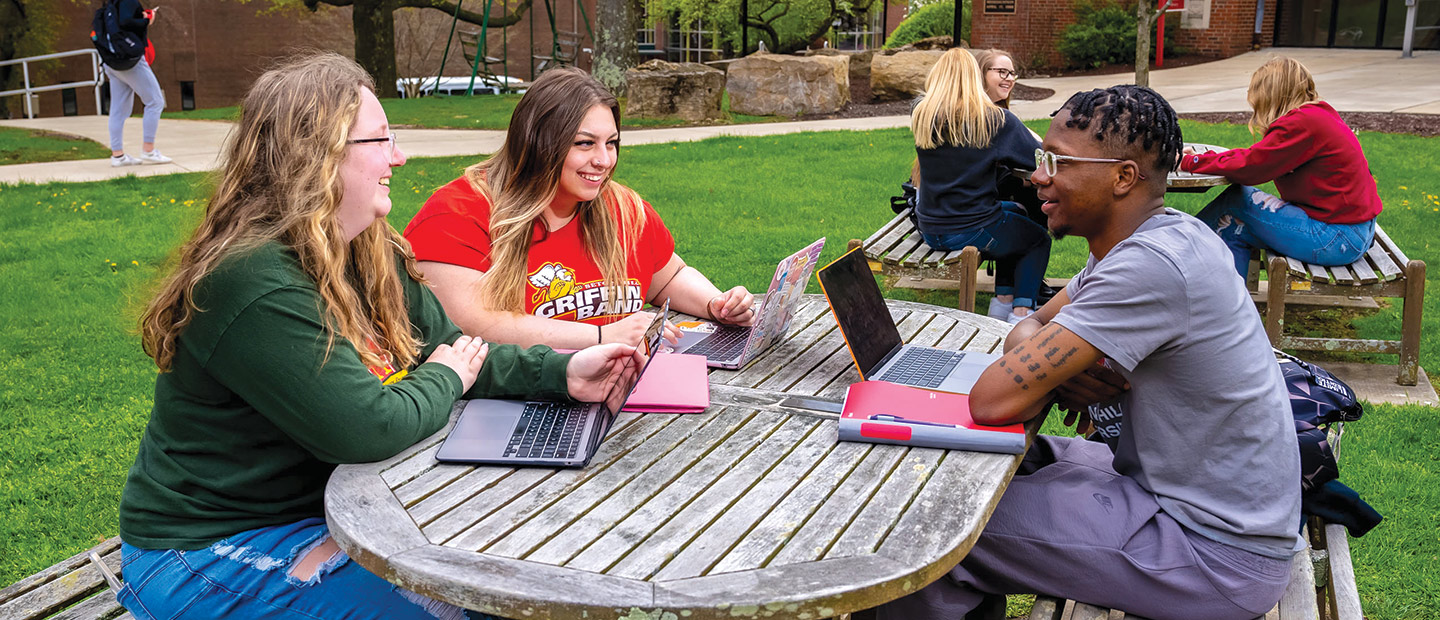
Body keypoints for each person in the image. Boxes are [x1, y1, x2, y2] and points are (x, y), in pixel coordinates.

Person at [116, 52, 639, 620]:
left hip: (337, 511)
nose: (400, 156)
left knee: (516, 597)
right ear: (319, 155)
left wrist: (562, 372)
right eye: (381, 140)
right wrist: (444, 377)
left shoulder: (372, 247)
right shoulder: (253, 280)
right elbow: (369, 427)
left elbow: (461, 351)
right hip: (208, 551)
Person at [865, 86, 1303, 620]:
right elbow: (1028, 327)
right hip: (1171, 489)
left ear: (1123, 177)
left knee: (917, 528)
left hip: (1209, 550)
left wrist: (1038, 373)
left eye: (1056, 162)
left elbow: (991, 399)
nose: (1037, 176)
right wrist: (1051, 368)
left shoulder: (1151, 266)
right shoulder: (1156, 238)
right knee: (973, 465)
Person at [403, 67, 753, 349]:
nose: (604, 160)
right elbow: (469, 326)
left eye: (611, 143)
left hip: (619, 391)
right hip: (507, 404)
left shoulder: (623, 208)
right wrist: (603, 338)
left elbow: (669, 277)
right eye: (585, 144)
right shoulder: (457, 213)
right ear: (538, 141)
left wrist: (716, 304)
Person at [1180, 56, 1382, 277]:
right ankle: (1231, 305)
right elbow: (1257, 157)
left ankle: (1177, 254)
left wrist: (1193, 161)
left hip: (1336, 237)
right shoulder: (1317, 115)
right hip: (1353, 232)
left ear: (1271, 95)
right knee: (1234, 227)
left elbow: (1252, 166)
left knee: (1235, 201)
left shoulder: (1302, 123)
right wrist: (1207, 158)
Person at [911, 48, 1049, 323]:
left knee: (1018, 212)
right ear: (975, 77)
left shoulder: (921, 113)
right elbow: (1037, 158)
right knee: (1038, 240)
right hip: (970, 229)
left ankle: (1002, 302)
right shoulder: (995, 120)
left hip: (930, 227)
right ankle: (1021, 313)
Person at [102, 0, 172, 167]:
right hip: (130, 62)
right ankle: (148, 150)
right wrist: (148, 19)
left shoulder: (111, 4)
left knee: (118, 110)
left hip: (112, 62)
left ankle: (118, 156)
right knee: (155, 101)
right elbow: (127, 22)